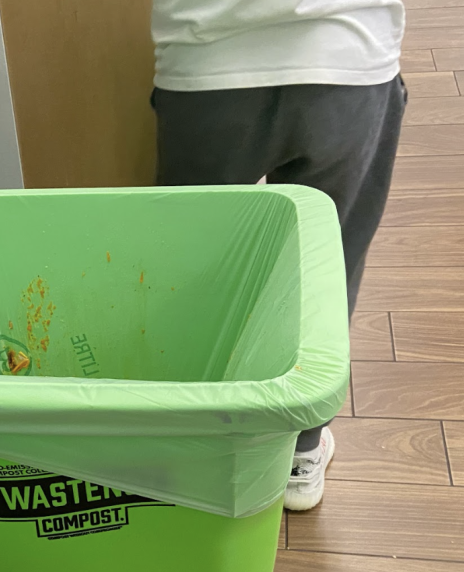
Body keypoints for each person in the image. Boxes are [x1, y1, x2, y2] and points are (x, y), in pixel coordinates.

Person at [151, 0, 407, 511]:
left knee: (196, 270)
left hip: (207, 60)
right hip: (348, 50)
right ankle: (300, 451)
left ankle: (200, 442)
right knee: (329, 264)